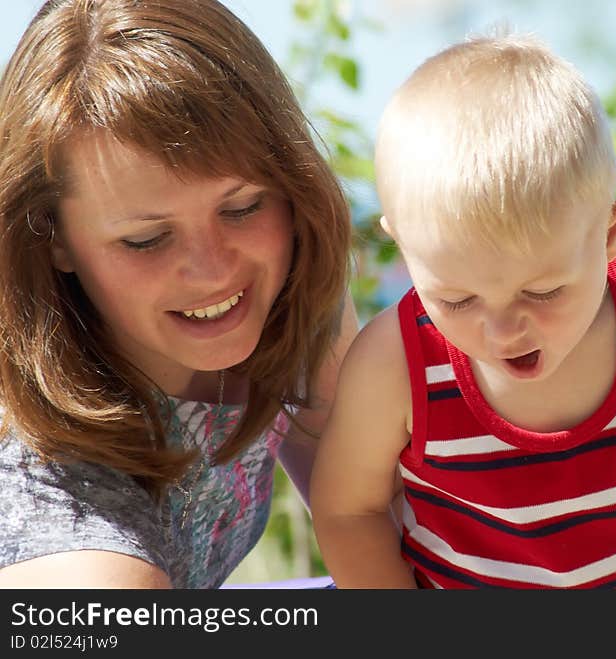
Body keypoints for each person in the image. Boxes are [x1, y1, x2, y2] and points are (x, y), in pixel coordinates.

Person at [309, 32, 616, 588]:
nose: (502, 329)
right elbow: (347, 510)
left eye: (544, 291)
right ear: (403, 248)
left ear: (612, 233)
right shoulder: (395, 367)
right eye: (457, 299)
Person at [0, 0, 358, 588]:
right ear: (52, 240)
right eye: (146, 239)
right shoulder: (71, 541)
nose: (213, 270)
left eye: (243, 207)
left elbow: (382, 534)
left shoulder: (290, 287)